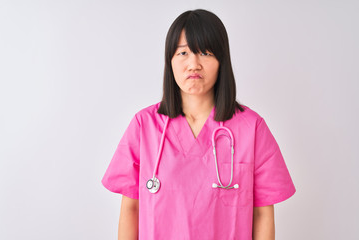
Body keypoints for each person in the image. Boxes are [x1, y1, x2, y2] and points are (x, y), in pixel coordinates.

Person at [102, 9, 296, 240]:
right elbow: (131, 209)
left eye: (204, 52)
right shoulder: (145, 125)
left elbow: (262, 214)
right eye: (183, 52)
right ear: (170, 61)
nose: (193, 64)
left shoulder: (251, 128)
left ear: (221, 60)